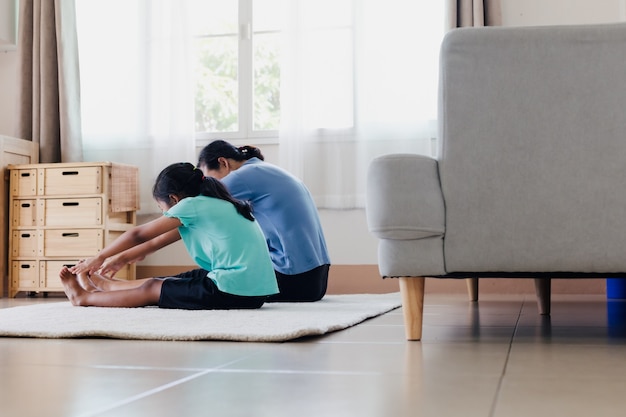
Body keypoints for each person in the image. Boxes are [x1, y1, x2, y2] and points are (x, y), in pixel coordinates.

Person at [59, 162, 279, 309]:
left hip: (234, 291)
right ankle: (106, 287)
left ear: (174, 199)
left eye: (161, 207)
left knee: (153, 288)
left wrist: (98, 257)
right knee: (178, 280)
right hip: (249, 289)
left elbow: (139, 234)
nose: (165, 214)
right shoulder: (213, 204)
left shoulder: (191, 206)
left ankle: (84, 298)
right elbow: (158, 241)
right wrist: (121, 259)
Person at [197, 140, 331, 302]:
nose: (211, 184)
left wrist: (156, 242)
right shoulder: (265, 170)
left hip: (293, 279)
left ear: (223, 162)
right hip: (315, 279)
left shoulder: (243, 175)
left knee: (214, 284)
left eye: (209, 177)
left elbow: (195, 210)